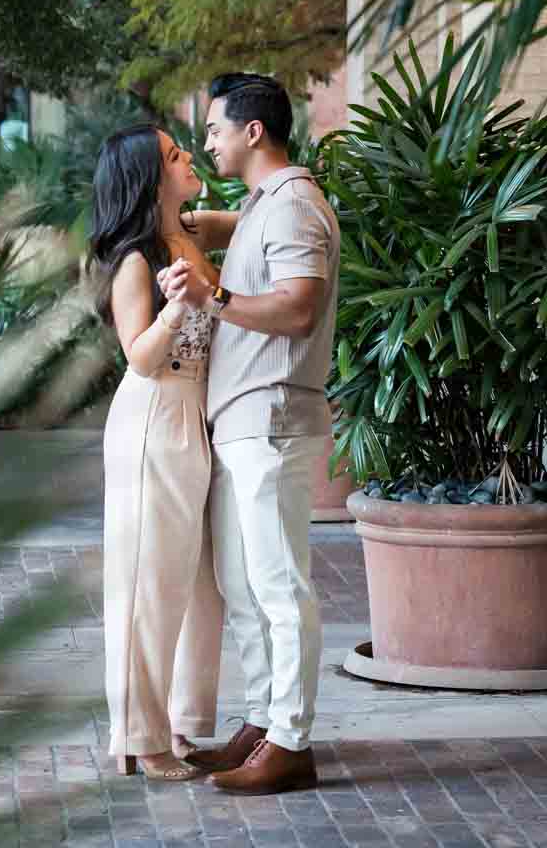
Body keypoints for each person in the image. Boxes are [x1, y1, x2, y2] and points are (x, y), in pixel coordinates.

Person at [159, 73, 340, 796]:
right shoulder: (269, 204)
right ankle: (263, 720)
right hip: (240, 422)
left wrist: (215, 296)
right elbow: (263, 233)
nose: (208, 143)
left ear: (253, 132)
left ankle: (291, 738)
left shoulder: (294, 205)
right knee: (242, 584)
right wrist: (221, 229)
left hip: (271, 419)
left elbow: (299, 308)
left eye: (214, 131)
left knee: (277, 586)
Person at [93, 123, 237, 781]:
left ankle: (182, 725)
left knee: (199, 585)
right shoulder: (134, 258)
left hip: (196, 418)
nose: (191, 158)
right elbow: (139, 358)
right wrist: (176, 309)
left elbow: (260, 218)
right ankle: (139, 738)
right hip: (154, 419)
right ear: (152, 180)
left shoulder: (194, 231)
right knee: (148, 583)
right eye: (177, 156)